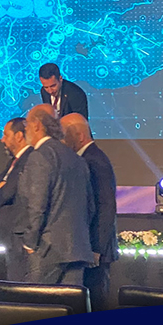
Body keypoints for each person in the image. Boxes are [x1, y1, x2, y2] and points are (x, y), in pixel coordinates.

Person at [19, 105, 93, 285]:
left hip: (48, 249)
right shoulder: (77, 158)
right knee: (71, 301)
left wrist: (30, 242)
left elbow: (37, 205)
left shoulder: (40, 156)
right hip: (78, 248)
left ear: (37, 125)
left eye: (26, 124)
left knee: (37, 301)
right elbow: (90, 206)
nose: (25, 129)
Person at [61, 113, 118, 307]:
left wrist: (96, 248)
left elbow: (106, 206)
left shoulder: (94, 160)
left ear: (79, 135)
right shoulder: (86, 158)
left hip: (94, 251)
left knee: (94, 301)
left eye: (64, 134)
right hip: (88, 248)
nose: (61, 140)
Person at [0, 117, 33, 281]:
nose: (2, 140)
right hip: (10, 239)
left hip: (20, 237)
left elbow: (7, 192)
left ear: (19, 136)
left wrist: (2, 187)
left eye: (6, 135)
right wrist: (1, 186)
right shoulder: (13, 162)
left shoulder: (29, 159)